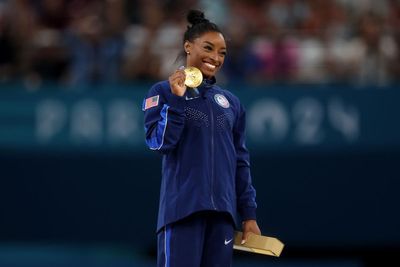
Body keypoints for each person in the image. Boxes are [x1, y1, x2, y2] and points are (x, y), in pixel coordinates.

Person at [142, 9, 261, 267]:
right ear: (188, 46)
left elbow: (240, 160)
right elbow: (159, 142)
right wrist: (176, 100)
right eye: (208, 48)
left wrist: (248, 215)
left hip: (223, 216)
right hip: (182, 212)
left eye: (222, 53)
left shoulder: (231, 103)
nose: (215, 58)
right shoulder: (162, 91)